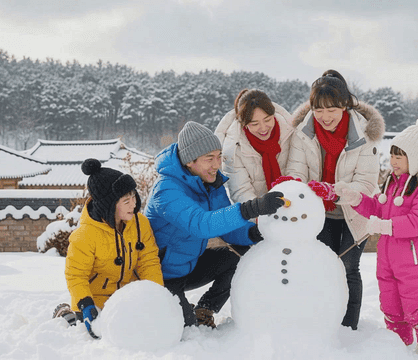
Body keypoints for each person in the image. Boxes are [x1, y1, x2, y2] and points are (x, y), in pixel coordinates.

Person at [144, 121, 285, 328]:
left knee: (240, 255)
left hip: (191, 265)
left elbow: (228, 228)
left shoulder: (210, 182)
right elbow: (201, 224)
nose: (216, 164)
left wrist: (257, 233)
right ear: (189, 161)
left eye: (219, 156)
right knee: (186, 329)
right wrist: (252, 208)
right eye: (209, 159)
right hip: (162, 276)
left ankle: (206, 308)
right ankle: (181, 312)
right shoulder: (166, 190)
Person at [335, 117, 418, 357]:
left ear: (415, 158)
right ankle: (398, 347)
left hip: (414, 258)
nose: (393, 161)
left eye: (400, 156)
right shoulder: (393, 182)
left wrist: (385, 226)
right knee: (391, 305)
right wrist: (355, 198)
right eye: (393, 155)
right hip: (388, 257)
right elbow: (378, 207)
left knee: (416, 303)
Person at [286, 69, 385, 330]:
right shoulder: (303, 132)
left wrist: (333, 191)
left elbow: (365, 183)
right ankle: (325, 321)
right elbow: (296, 169)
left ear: (344, 105)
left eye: (332, 109)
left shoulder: (364, 135)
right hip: (321, 213)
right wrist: (295, 185)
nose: (325, 116)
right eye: (319, 109)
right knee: (324, 267)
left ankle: (348, 327)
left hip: (355, 212)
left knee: (349, 268)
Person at [53, 158, 164, 339]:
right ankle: (66, 313)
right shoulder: (85, 235)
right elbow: (76, 275)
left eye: (133, 196)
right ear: (109, 205)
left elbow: (149, 261)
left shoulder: (140, 223)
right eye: (126, 200)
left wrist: (155, 294)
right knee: (98, 335)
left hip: (128, 296)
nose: (134, 204)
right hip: (96, 301)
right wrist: (85, 304)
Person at [214, 89, 295, 204]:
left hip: (294, 207)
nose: (263, 128)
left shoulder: (291, 134)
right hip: (258, 213)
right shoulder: (233, 148)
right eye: (254, 124)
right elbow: (241, 192)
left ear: (274, 115)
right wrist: (262, 212)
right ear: (244, 124)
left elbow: (299, 172)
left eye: (267, 120)